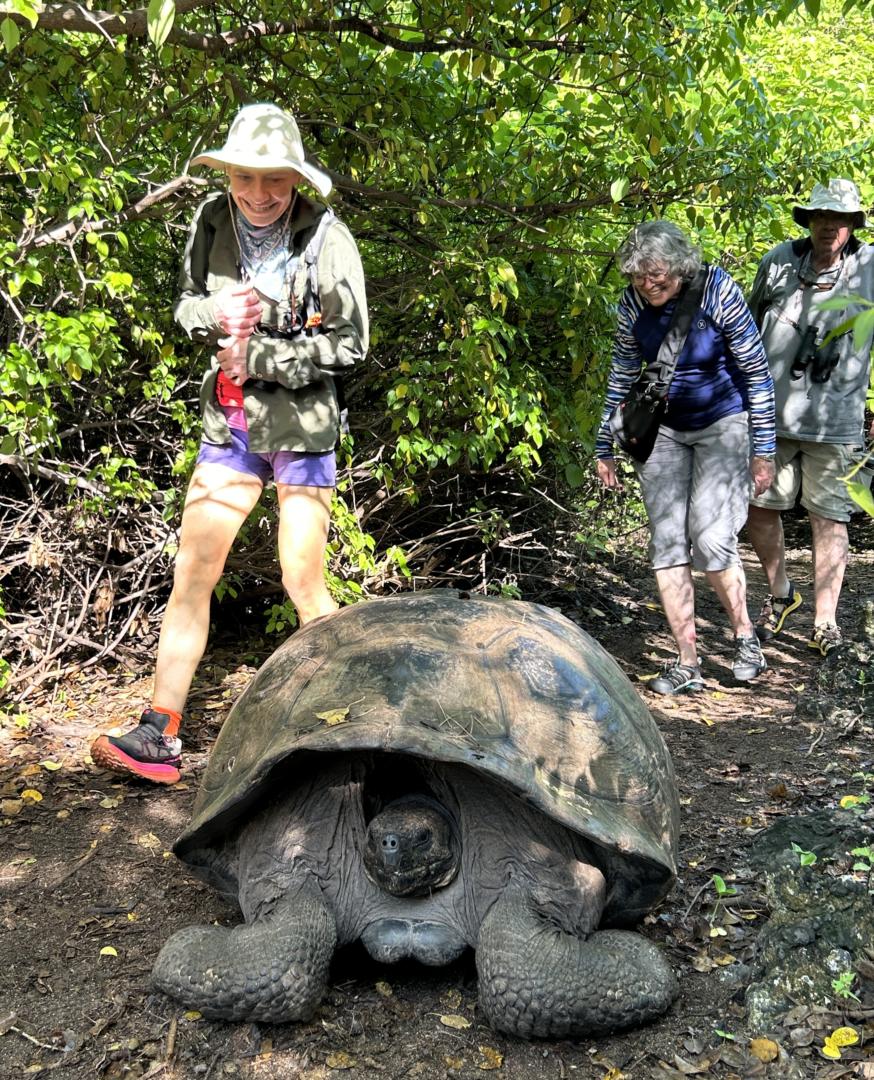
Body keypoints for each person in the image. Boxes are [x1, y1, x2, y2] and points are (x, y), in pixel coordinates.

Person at [91, 103, 368, 783]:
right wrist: (214, 313)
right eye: (246, 177)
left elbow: (351, 342)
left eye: (275, 180)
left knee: (301, 578)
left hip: (300, 429)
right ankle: (158, 730)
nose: (260, 194)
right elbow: (186, 306)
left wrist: (264, 358)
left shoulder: (328, 239)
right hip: (229, 425)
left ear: (296, 180)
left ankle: (355, 722)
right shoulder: (212, 221)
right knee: (194, 572)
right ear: (229, 175)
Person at [595, 220, 776, 695]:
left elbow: (756, 373)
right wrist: (603, 446)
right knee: (668, 543)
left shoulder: (717, 290)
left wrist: (764, 451)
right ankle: (688, 661)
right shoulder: (633, 304)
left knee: (713, 538)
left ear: (679, 266)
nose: (647, 285)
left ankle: (744, 636)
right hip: (664, 431)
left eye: (657, 275)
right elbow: (621, 373)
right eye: (638, 276)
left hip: (723, 421)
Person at [746, 179, 874, 657]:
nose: (829, 226)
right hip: (770, 415)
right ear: (809, 219)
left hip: (837, 419)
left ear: (852, 226)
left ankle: (825, 621)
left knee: (830, 517)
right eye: (822, 216)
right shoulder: (779, 261)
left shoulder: (870, 267)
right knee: (759, 509)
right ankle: (781, 595)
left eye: (839, 219)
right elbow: (744, 326)